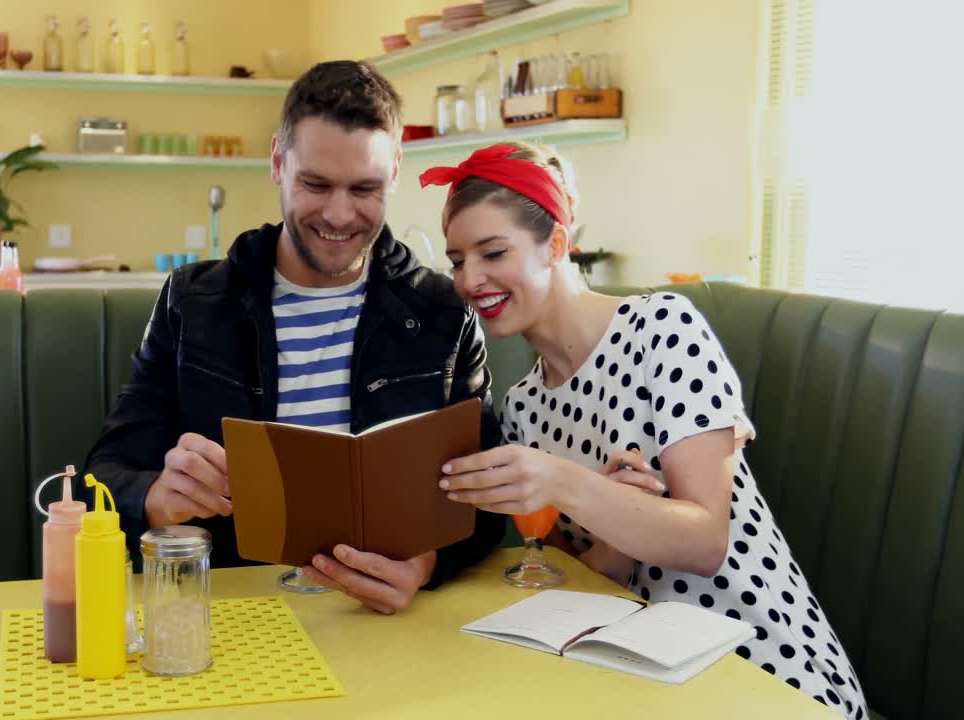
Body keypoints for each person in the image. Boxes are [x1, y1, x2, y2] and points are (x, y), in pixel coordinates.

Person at [428, 142, 868, 717]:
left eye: (493, 253)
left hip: (758, 668)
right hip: (639, 678)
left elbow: (706, 541)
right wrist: (613, 534)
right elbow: (587, 583)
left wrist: (566, 483)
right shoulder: (523, 406)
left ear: (557, 244)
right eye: (458, 260)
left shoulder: (662, 328)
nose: (470, 279)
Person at [82, 61, 504, 615]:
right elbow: (103, 480)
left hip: (380, 622)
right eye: (315, 183)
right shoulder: (192, 301)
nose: (338, 214)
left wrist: (426, 564)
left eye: (364, 188)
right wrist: (158, 498)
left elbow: (489, 499)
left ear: (396, 171)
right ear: (278, 161)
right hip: (229, 613)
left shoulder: (445, 313)